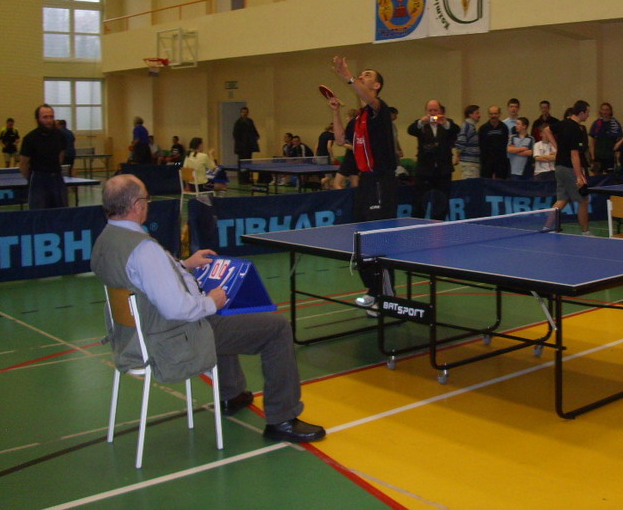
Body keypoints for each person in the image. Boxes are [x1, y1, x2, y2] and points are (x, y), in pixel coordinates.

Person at [91, 174, 325, 443]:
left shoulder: (107, 240)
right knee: (276, 328)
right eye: (146, 199)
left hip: (132, 339)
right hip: (169, 340)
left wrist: (185, 265)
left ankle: (231, 394)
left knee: (217, 318)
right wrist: (211, 301)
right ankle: (282, 419)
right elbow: (177, 308)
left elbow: (143, 279)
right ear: (136, 205)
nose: (148, 204)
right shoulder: (143, 249)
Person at [327, 57, 398, 310]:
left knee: (378, 240)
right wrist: (335, 111)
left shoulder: (380, 110)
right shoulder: (359, 118)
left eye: (368, 75)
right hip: (365, 182)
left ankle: (386, 296)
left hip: (381, 180)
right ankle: (372, 290)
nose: (362, 76)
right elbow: (339, 139)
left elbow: (367, 97)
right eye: (361, 74)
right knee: (361, 241)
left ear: (376, 86)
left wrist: (347, 76)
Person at [543, 100, 593, 235]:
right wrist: (579, 176)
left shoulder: (563, 123)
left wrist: (558, 148)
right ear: (581, 113)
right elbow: (574, 155)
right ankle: (586, 232)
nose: (588, 115)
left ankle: (547, 228)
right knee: (583, 200)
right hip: (569, 168)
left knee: (562, 200)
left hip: (559, 167)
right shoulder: (576, 129)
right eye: (587, 112)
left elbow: (547, 130)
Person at [407, 99, 460, 220]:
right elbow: (410, 130)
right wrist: (421, 122)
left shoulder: (447, 124)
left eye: (435, 110)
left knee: (441, 200)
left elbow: (456, 130)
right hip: (424, 170)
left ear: (440, 111)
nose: (433, 113)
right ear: (426, 111)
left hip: (443, 170)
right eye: (430, 110)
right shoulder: (421, 125)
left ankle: (439, 225)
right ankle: (416, 224)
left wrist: (444, 123)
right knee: (420, 200)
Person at [19, 104, 68, 209]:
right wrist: (30, 179)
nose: (49, 120)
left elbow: (61, 155)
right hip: (38, 179)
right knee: (39, 213)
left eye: (51, 117)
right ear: (37, 119)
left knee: (61, 211)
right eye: (45, 117)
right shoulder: (30, 138)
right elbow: (23, 164)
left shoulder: (60, 136)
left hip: (57, 178)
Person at [588, 102, 622, 174]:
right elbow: (592, 141)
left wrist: (617, 158)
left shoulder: (615, 124)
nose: (605, 112)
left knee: (610, 177)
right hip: (598, 156)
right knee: (598, 177)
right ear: (600, 111)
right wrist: (593, 156)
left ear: (610, 111)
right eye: (603, 110)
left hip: (610, 156)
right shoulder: (596, 124)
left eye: (607, 110)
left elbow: (619, 141)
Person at [478, 106, 510, 179]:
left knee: (501, 182)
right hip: (487, 161)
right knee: (486, 182)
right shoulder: (483, 128)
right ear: (488, 115)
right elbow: (481, 145)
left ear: (499, 114)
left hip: (500, 161)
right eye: (491, 114)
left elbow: (505, 143)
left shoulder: (504, 128)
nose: (493, 116)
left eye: (495, 113)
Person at [232, 106, 260, 184]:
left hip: (249, 147)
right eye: (243, 112)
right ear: (240, 113)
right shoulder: (238, 122)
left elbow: (254, 130)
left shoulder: (250, 121)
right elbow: (235, 135)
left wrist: (256, 136)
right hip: (241, 148)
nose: (245, 114)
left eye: (246, 112)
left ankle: (248, 178)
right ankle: (242, 179)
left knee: (248, 163)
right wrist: (240, 145)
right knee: (242, 164)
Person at [454, 105, 481, 180]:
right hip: (469, 165)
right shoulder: (466, 126)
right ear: (470, 115)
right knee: (469, 185)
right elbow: (460, 144)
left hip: (473, 164)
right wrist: (458, 156)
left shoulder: (471, 126)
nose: (479, 115)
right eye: (477, 113)